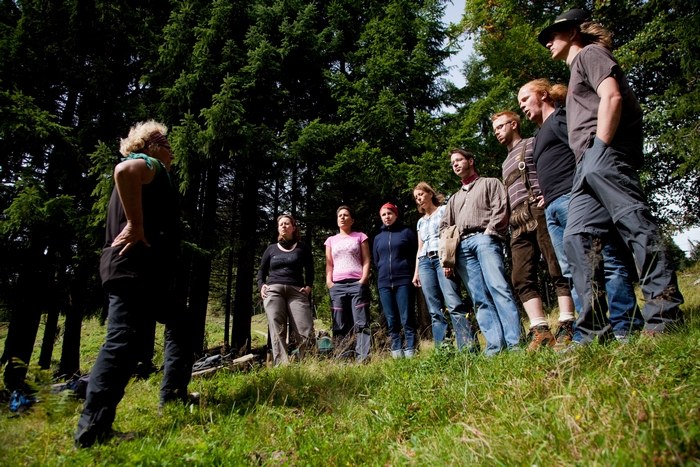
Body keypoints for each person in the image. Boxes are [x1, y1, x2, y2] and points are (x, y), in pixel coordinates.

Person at [538, 9, 684, 343]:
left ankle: (664, 313)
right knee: (577, 239)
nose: (548, 42)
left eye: (554, 34)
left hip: (604, 153)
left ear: (573, 32)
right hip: (585, 166)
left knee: (634, 224)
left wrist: (601, 146)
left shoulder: (591, 53)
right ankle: (592, 332)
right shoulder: (576, 70)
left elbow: (613, 95)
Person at [75, 121, 194, 448]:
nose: (169, 146)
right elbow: (124, 170)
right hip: (132, 269)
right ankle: (93, 430)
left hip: (144, 274)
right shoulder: (148, 164)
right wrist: (135, 223)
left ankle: (172, 395)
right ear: (149, 145)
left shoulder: (159, 174)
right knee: (122, 343)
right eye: (163, 140)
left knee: (180, 324)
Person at [518, 78, 644, 343]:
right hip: (553, 207)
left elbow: (584, 151)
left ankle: (626, 326)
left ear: (542, 95)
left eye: (525, 100)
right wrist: (545, 196)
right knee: (573, 271)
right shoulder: (540, 134)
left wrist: (582, 186)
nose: (522, 107)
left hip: (576, 199)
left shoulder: (562, 118)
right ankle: (594, 330)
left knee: (606, 259)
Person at [492, 111, 574, 350]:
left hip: (538, 209)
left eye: (500, 126)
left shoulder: (532, 143)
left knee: (555, 265)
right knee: (520, 276)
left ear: (514, 124)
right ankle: (540, 329)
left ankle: (567, 323)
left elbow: (549, 169)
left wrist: (546, 194)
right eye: (494, 128)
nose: (497, 131)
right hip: (517, 220)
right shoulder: (505, 162)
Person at [439, 149, 522, 355]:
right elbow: (443, 227)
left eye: (458, 160)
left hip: (485, 240)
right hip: (462, 250)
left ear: (471, 160)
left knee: (499, 289)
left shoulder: (490, 183)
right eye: (452, 163)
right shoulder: (454, 199)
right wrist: (450, 252)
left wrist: (488, 233)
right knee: (479, 298)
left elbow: (501, 208)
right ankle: (495, 346)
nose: (455, 165)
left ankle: (515, 344)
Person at [412, 182, 479, 352]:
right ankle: (444, 350)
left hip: (442, 258)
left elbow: (450, 236)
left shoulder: (443, 211)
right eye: (416, 197)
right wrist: (416, 272)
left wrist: (448, 261)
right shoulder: (420, 222)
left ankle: (468, 347)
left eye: (421, 194)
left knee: (453, 302)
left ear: (430, 193)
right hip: (425, 262)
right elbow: (420, 248)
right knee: (434, 309)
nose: (419, 198)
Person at [257, 214, 315, 366]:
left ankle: (308, 363)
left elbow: (310, 268)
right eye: (281, 224)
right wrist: (261, 284)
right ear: (278, 228)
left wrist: (309, 286)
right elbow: (261, 271)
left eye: (287, 223)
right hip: (274, 290)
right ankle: (282, 365)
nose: (284, 226)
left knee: (305, 327)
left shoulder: (302, 248)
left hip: (297, 291)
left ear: (293, 228)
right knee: (277, 329)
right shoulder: (271, 249)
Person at [325, 205, 371, 362]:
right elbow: (329, 263)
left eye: (346, 215)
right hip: (337, 286)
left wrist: (363, 280)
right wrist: (329, 282)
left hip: (356, 283)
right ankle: (342, 358)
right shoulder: (330, 240)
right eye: (340, 216)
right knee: (339, 324)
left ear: (352, 220)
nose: (342, 217)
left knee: (361, 322)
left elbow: (366, 260)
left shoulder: (360, 236)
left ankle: (362, 359)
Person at [372, 203, 418, 358]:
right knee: (391, 319)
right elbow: (376, 260)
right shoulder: (378, 238)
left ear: (396, 215)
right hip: (384, 282)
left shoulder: (406, 233)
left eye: (389, 213)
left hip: (404, 280)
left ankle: (411, 349)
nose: (387, 217)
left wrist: (411, 272)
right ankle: (396, 351)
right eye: (384, 214)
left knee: (407, 317)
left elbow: (414, 254)